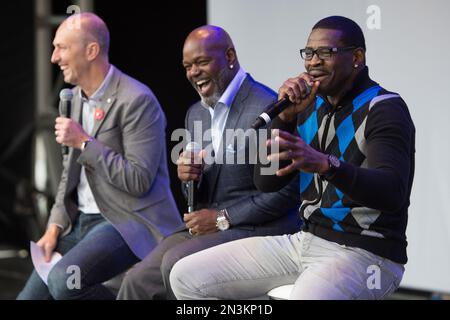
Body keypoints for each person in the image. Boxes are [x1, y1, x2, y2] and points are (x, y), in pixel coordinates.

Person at [169, 16, 416, 300]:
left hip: (367, 254)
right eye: (308, 54)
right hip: (305, 241)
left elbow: (391, 192)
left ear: (357, 57)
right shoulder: (308, 108)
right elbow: (267, 182)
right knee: (186, 277)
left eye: (325, 53)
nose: (313, 62)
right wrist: (284, 120)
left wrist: (326, 164)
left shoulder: (384, 108)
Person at [117, 25, 301, 300]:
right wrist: (188, 178)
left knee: (175, 266)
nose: (193, 73)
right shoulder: (195, 114)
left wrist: (221, 219)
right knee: (136, 281)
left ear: (229, 56)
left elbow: (284, 194)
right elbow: (196, 198)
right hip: (206, 226)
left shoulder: (266, 108)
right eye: (187, 66)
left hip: (257, 230)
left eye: (201, 62)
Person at [17, 12, 182, 300]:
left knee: (63, 282)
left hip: (127, 220)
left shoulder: (137, 100)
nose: (54, 57)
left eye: (62, 48)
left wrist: (84, 141)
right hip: (80, 221)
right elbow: (69, 174)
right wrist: (54, 226)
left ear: (91, 51)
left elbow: (139, 180)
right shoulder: (74, 99)